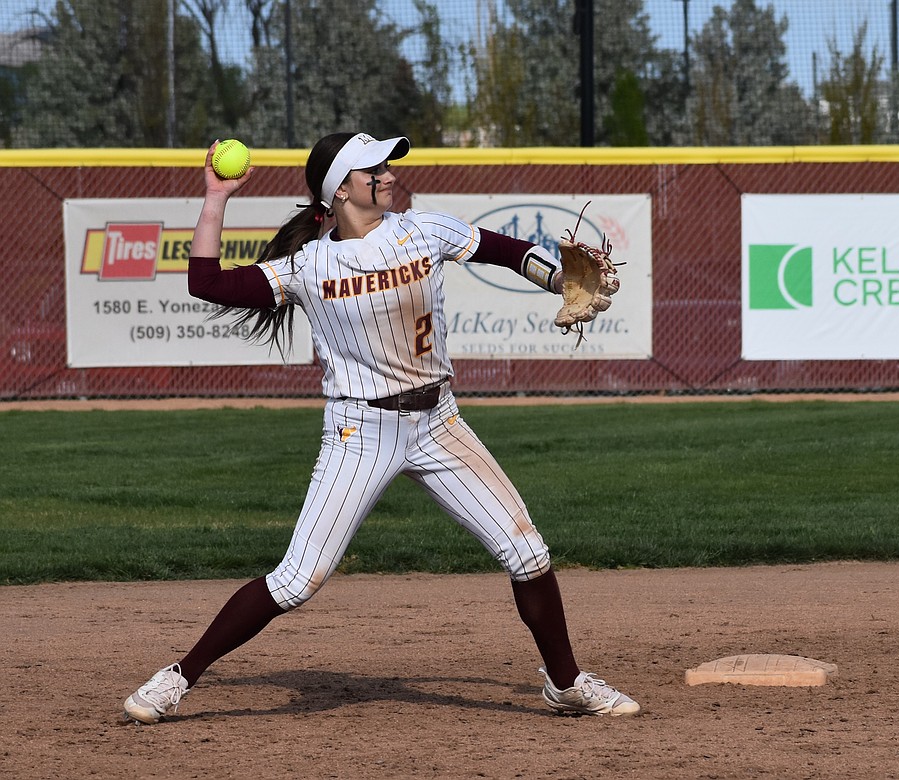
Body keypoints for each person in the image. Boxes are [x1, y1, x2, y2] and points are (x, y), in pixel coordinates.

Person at [122, 133, 639, 723]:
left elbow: (505, 250)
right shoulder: (309, 266)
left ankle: (566, 684)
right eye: (374, 168)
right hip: (360, 432)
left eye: (388, 164)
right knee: (296, 581)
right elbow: (207, 283)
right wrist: (216, 197)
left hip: (439, 422)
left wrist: (555, 280)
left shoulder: (423, 230)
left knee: (527, 552)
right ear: (341, 190)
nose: (389, 174)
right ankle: (178, 677)